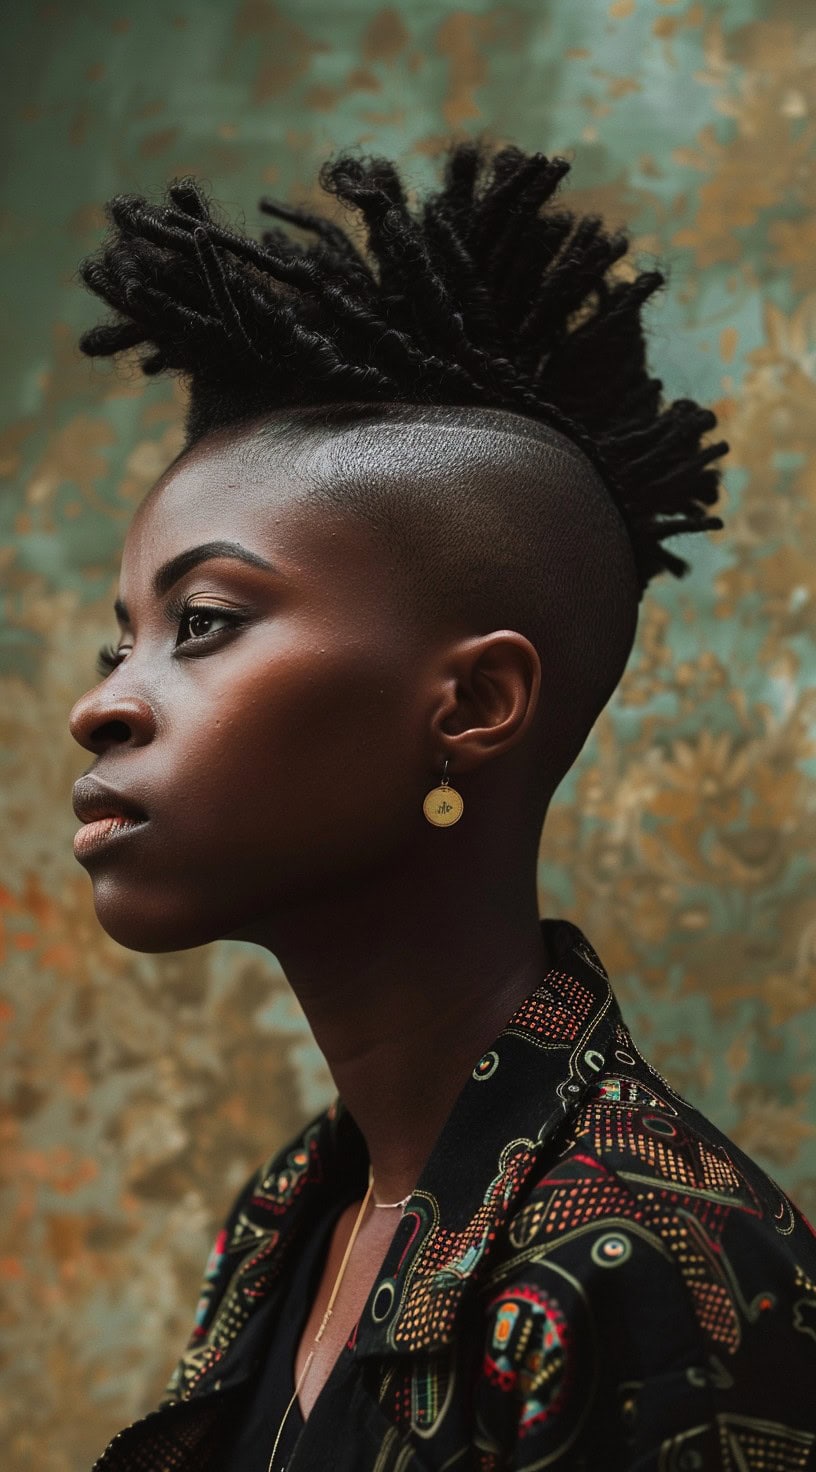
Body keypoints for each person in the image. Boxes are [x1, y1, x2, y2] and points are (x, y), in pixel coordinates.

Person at [67, 142, 816, 1472]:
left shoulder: (661, 1278)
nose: (107, 705)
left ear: (474, 708)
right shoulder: (295, 1217)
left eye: (206, 622)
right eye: (118, 643)